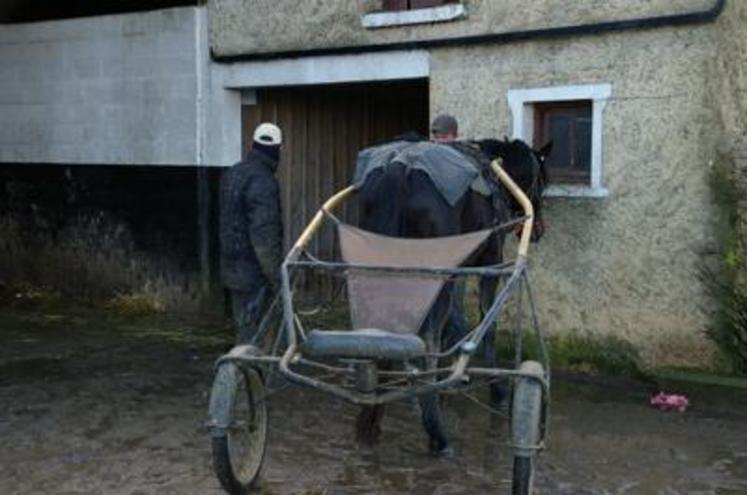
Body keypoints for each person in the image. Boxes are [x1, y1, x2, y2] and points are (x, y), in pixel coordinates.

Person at [220, 123, 284, 345]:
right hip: (254, 276)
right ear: (277, 149)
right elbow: (264, 235)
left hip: (231, 270)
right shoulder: (264, 182)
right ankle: (250, 376)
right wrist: (276, 277)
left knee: (243, 331)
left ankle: (241, 375)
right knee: (256, 338)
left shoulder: (233, 173)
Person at [429, 114, 468, 349]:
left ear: (455, 136)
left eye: (442, 136)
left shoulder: (462, 165)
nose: (437, 141)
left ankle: (453, 355)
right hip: (429, 249)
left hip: (455, 249)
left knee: (453, 304)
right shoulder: (428, 162)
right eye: (435, 136)